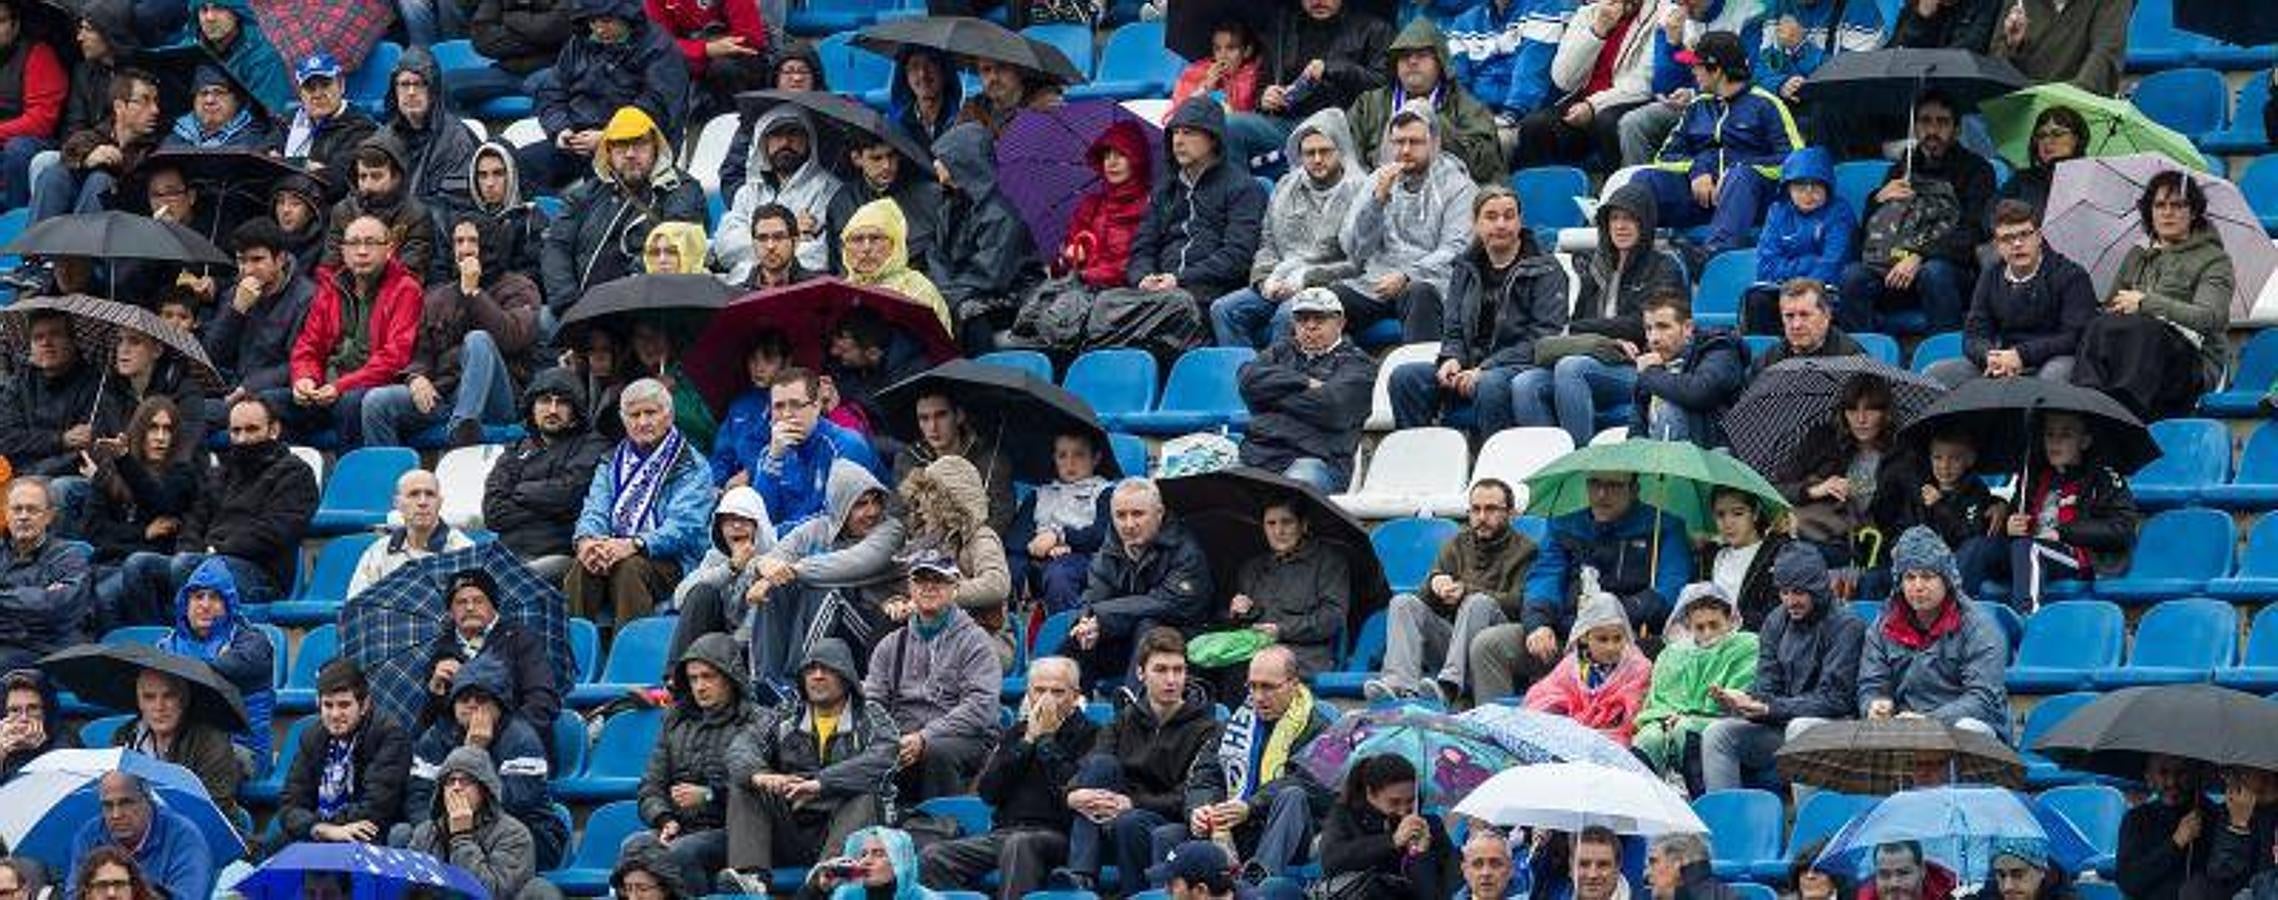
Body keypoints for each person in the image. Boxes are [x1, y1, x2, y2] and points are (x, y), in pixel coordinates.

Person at [1473, 472, 1691, 701]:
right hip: (1563, 636)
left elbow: (1670, 591)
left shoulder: (1663, 528)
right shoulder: (1564, 526)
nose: (1601, 493)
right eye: (1595, 483)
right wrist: (1539, 624)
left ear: (1634, 489)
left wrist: (1608, 615)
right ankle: (1490, 729)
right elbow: (1545, 578)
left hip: (1624, 643)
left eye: (1614, 484)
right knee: (1489, 645)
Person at [102, 397, 313, 632]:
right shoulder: (221, 473)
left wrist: (217, 550)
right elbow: (194, 520)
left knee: (188, 566)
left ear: (273, 430)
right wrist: (189, 549)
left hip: (261, 574)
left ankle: (188, 643)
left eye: (251, 430)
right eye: (236, 431)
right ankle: (158, 640)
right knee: (138, 565)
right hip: (206, 561)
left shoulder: (295, 473)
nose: (242, 438)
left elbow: (276, 530)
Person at [1512, 183, 1684, 448]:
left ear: (1645, 222)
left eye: (1629, 218)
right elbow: (1580, 324)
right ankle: (1552, 466)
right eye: (1614, 218)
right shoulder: (1595, 266)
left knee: (1572, 368)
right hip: (1597, 355)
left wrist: (1589, 330)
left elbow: (1640, 325)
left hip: (1638, 364)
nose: (1620, 226)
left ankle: (1582, 465)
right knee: (1525, 384)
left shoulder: (1663, 267)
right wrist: (1606, 338)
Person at [719, 638, 897, 893]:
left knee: (866, 794)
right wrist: (761, 776)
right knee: (744, 783)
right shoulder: (786, 714)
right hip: (793, 825)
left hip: (846, 827)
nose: (817, 676)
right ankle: (751, 876)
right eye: (810, 670)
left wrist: (820, 784)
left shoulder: (870, 716)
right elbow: (740, 748)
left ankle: (831, 873)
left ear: (846, 676)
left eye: (827, 669)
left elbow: (885, 758)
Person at [1387, 185, 1568, 435]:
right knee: (1406, 378)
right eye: (1491, 217)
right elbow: (1453, 329)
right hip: (1471, 365)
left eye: (1509, 216)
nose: (1501, 224)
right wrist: (1452, 358)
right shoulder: (1465, 267)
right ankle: (1422, 459)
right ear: (1475, 223)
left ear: (1520, 221)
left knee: (1490, 384)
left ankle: (1494, 468)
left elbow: (1544, 338)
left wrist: (1486, 368)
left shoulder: (1546, 269)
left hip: (1520, 366)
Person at [919, 656, 1096, 898]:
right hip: (1005, 832)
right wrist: (1027, 742)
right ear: (1028, 693)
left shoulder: (1091, 734)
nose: (1046, 699)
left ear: (1075, 696)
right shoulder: (1017, 733)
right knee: (933, 856)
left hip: (1058, 835)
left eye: (1057, 692)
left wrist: (1045, 741)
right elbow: (989, 792)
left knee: (1020, 845)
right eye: (1039, 690)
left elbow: (1069, 789)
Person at [1061, 628, 1221, 892]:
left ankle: (1132, 894)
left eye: (1178, 670)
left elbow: (1192, 793)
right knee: (1102, 765)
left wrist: (1133, 803)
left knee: (1131, 822)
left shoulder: (1207, 728)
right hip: (1115, 812)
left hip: (1169, 819)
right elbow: (1093, 764)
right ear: (1140, 673)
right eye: (1161, 670)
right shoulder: (1125, 719)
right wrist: (1072, 795)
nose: (1171, 680)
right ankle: (1081, 876)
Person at [1697, 540, 1862, 792]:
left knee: (1800, 729)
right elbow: (1767, 683)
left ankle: (1812, 829)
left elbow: (1835, 700)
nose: (1790, 601)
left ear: (1817, 588)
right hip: (1781, 724)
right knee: (1717, 734)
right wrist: (1745, 701)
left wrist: (1769, 707)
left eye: (1798, 592)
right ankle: (1726, 825)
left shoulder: (1846, 626)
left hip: (1834, 728)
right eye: (1784, 592)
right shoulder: (1776, 621)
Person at [2071, 170, 2234, 422]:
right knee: (2099, 324)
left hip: (2191, 363)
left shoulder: (2214, 259)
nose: (2167, 212)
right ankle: (2086, 406)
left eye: (2177, 205)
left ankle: (2125, 414)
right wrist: (2118, 308)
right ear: (2150, 212)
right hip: (2136, 353)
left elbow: (2211, 317)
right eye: (2159, 205)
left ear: (2193, 212)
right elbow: (2112, 305)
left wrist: (2146, 303)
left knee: (2145, 328)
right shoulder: (2138, 255)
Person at [365, 214, 541, 446]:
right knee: (375, 402)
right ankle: (391, 479)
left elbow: (512, 337)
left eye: (472, 241)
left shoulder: (519, 288)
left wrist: (474, 293)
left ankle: (463, 426)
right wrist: (416, 378)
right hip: (446, 394)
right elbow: (421, 352)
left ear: (488, 245)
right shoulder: (438, 296)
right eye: (459, 242)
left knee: (478, 340)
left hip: (497, 396)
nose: (465, 249)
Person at [1167, 645, 1333, 880]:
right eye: (1252, 686)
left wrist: (1251, 806)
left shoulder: (1320, 729)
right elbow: (1205, 775)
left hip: (1292, 833)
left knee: (1292, 795)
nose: (1258, 697)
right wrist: (1200, 809)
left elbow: (1312, 785)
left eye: (1268, 687)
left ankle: (1257, 883)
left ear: (1293, 685)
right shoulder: (1236, 725)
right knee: (1166, 835)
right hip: (1237, 829)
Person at [1631, 31, 1800, 258]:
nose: (1693, 72)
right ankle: (1627, 254)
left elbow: (1795, 160)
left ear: (1717, 69)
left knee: (1741, 176)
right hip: (1702, 196)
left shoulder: (1767, 104)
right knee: (1644, 179)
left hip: (1751, 202)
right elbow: (1664, 157)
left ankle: (1711, 257)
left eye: (1697, 66)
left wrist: (1732, 170)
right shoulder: (1697, 106)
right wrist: (1699, 170)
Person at [1838, 92, 1996, 335]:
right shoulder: (1901, 168)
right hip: (1891, 266)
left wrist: (1920, 256)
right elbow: (1874, 228)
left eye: (1942, 122)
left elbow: (1974, 231)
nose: (1932, 130)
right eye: (1925, 121)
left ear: (1956, 129)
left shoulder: (1978, 170)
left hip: (1951, 270)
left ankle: (1944, 358)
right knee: (1852, 277)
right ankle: (1860, 358)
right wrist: (1877, 198)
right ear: (1915, 127)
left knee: (1934, 273)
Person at [1210, 108, 1365, 351]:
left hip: (1328, 284)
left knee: (1288, 314)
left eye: (1324, 151)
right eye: (1309, 153)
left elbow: (1358, 262)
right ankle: (1246, 379)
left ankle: (1277, 381)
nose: (1316, 159)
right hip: (1279, 279)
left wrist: (1305, 280)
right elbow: (1268, 242)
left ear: (1340, 151)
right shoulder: (1285, 186)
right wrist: (1265, 280)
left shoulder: (1360, 191)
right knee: (1224, 309)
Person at [1954, 411, 2138, 613]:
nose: (2054, 442)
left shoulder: (2103, 477)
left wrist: (2063, 532)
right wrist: (2010, 523)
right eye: (2049, 434)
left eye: (2065, 435)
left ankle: (2027, 618)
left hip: (2077, 555)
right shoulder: (2034, 474)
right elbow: (2017, 518)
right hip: (2026, 552)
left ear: (2084, 442)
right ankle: (1955, 615)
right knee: (1978, 547)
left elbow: (2123, 528)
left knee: (2028, 548)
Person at [1372, 479, 1536, 705]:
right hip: (1452, 646)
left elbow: (1521, 604)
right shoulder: (1456, 544)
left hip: (1493, 648)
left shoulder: (1526, 551)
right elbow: (1424, 602)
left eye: (1491, 509)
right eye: (1475, 509)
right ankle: (1399, 686)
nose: (1481, 517)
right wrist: (1435, 583)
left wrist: (1465, 592)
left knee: (1478, 602)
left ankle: (1450, 687)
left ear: (1510, 514)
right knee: (1403, 603)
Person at [1122, 97, 1266, 353]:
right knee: (1102, 306)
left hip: (1207, 291)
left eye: (1188, 133)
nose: (1178, 141)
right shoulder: (1165, 189)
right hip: (1159, 292)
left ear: (1212, 138)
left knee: (1168, 309)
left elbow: (1237, 256)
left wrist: (1179, 279)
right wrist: (1142, 277)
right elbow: (1142, 246)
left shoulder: (1243, 188)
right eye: (1175, 133)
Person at [621, 633, 762, 893]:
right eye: (693, 678)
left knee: (683, 852)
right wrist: (664, 819)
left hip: (735, 834)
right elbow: (651, 785)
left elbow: (757, 789)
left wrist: (709, 795)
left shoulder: (756, 721)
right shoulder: (675, 721)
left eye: (709, 677)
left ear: (730, 678)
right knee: (633, 848)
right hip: (682, 827)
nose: (700, 686)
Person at [862, 551, 1005, 805]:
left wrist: (925, 737)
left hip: (964, 738)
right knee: (864, 747)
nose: (929, 586)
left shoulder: (976, 642)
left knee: (936, 751)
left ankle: (939, 826)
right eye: (920, 580)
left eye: (938, 580)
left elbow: (980, 708)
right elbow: (872, 700)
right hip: (902, 735)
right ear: (910, 588)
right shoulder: (891, 644)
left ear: (955, 588)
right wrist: (887, 737)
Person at [569, 378, 714, 628]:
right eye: (634, 415)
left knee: (629, 569)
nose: (643, 422)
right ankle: (575, 657)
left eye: (651, 413)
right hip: (616, 549)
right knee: (583, 568)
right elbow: (595, 508)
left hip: (672, 559)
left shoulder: (691, 464)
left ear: (668, 416)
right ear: (625, 421)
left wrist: (636, 544)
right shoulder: (611, 461)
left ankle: (632, 658)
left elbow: (685, 527)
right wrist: (587, 541)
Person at [537, 105, 705, 316]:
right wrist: (569, 305)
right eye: (621, 146)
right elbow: (556, 246)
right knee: (542, 320)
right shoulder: (587, 194)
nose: (630, 154)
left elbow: (674, 253)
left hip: (645, 310)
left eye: (639, 144)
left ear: (656, 146)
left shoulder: (681, 190)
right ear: (607, 152)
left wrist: (615, 307)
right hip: (579, 310)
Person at [405, 656, 568, 870]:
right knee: (403, 834)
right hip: (451, 831)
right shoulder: (435, 737)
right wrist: (443, 830)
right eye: (463, 698)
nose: (472, 704)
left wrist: (474, 752)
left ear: (499, 704)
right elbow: (417, 797)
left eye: (481, 698)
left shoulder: (522, 738)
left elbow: (517, 803)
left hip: (523, 834)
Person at [750, 459, 905, 682]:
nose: (872, 511)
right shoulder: (817, 529)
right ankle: (767, 683)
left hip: (873, 629)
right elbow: (773, 560)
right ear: (840, 506)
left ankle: (798, 683)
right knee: (775, 588)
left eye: (875, 502)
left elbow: (856, 563)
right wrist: (763, 565)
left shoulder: (891, 529)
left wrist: (790, 570)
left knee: (827, 592)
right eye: (860, 504)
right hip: (823, 632)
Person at [1335, 101, 1475, 344]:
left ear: (1434, 142)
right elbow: (1356, 249)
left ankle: (1417, 376)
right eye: (1399, 142)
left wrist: (1408, 275)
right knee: (1328, 301)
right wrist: (1377, 202)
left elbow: (1456, 249)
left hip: (1431, 284)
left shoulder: (1459, 187)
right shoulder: (1379, 179)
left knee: (1420, 292)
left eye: (1415, 142)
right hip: (1376, 283)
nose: (1406, 150)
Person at [1858, 526, 2011, 739]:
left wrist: (1931, 721)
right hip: (1904, 727)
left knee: (1968, 729)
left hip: (1968, 727)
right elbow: (1872, 684)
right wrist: (1875, 704)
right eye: (1909, 578)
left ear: (1947, 581)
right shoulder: (1883, 625)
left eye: (1927, 577)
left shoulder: (1980, 626)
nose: (1918, 586)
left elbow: (1983, 698)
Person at [286, 212, 424, 444]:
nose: (361, 251)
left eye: (371, 243)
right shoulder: (330, 288)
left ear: (389, 249)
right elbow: (308, 345)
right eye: (353, 243)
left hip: (371, 388)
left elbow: (395, 357)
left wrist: (340, 386)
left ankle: (351, 476)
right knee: (268, 404)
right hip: (324, 389)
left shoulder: (405, 289)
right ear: (343, 250)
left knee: (350, 403)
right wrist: (304, 379)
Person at [521, 0, 687, 191]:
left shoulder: (659, 48)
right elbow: (552, 91)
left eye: (606, 21)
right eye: (593, 21)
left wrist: (609, 137)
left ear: (626, 16)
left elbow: (659, 106)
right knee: (517, 168)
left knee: (597, 194)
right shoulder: (578, 44)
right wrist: (560, 130)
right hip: (578, 142)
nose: (599, 29)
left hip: (632, 148)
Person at [1931, 200, 2094, 388]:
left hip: (2054, 358)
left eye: (2024, 235)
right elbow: (1974, 334)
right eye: (2007, 238)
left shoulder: (2071, 275)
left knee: (2053, 378)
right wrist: (1989, 356)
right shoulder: (1991, 274)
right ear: (1997, 244)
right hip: (2005, 358)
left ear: (2039, 236)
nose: (2017, 244)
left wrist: (2021, 355)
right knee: (1938, 374)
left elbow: (2074, 337)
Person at [1221, 0, 1392, 175]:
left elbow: (1382, 82)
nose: (1318, 1)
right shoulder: (1282, 29)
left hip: (1344, 127)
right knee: (1231, 125)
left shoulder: (1374, 29)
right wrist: (1264, 97)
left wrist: (1331, 68)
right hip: (1288, 125)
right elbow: (1263, 82)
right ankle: (1239, 195)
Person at [1070, 479, 1213, 682]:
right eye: (1121, 515)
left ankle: (1134, 706)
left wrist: (1101, 614)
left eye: (1138, 514)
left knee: (1149, 627)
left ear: (1159, 513)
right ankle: (1066, 702)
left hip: (1183, 644)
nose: (1129, 524)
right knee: (1079, 632)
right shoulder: (1109, 549)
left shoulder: (1186, 551)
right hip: (1126, 637)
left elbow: (1166, 604)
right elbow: (1094, 596)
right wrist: (1087, 620)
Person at [1235, 289, 1375, 493]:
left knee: (1293, 486)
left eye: (1320, 318)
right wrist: (1303, 381)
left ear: (1340, 323)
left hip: (1318, 461)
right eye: (1302, 319)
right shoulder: (1281, 351)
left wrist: (1269, 396)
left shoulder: (1358, 363)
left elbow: (1332, 408)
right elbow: (1246, 380)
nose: (1310, 326)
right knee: (1218, 486)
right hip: (1260, 454)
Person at [1349, 19, 1506, 186]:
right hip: (1380, 192)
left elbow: (1484, 166)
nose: (1412, 62)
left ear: (1440, 63)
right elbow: (1348, 158)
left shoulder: (1468, 106)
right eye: (1404, 56)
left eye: (1422, 55)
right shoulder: (1367, 105)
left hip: (1447, 194)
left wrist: (1432, 123)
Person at [486, 369, 609, 579]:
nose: (552, 409)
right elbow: (493, 513)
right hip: (507, 555)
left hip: (558, 556)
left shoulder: (593, 445)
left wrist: (519, 491)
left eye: (562, 402)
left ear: (575, 410)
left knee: (509, 583)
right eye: (545, 401)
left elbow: (570, 497)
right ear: (532, 407)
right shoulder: (515, 449)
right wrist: (550, 508)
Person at [1211, 497, 1351, 681]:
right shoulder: (1251, 568)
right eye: (1271, 523)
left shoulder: (1329, 563)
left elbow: (1332, 618)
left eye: (1287, 522)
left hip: (1304, 657)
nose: (1279, 531)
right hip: (1252, 653)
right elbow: (1233, 624)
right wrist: (1235, 613)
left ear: (1303, 525)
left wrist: (1281, 630)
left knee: (1263, 673)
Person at [154, 557, 276, 768]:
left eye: (215, 598)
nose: (205, 605)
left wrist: (178, 669)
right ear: (186, 604)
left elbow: (235, 665)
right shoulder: (166, 645)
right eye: (198, 597)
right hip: (180, 747)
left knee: (200, 761)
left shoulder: (252, 641)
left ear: (229, 604)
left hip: (241, 749)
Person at [929, 123, 1041, 352]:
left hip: (1014, 293)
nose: (936, 163)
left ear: (963, 161)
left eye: (943, 158)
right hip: (962, 287)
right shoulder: (954, 202)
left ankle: (982, 376)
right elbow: (936, 253)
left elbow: (992, 274)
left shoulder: (1005, 210)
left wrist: (948, 292)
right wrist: (941, 289)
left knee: (968, 312)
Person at [1511, 0, 1658, 171]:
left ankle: (1613, 193)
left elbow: (1643, 83)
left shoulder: (1659, 16)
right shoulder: (1587, 14)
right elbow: (1564, 79)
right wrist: (1597, 31)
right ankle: (1541, 193)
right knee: (1535, 126)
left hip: (1628, 100)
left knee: (1608, 122)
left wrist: (1593, 106)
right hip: (1583, 101)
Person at [278, 659, 411, 845]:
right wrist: (324, 830)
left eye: (344, 705)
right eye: (328, 705)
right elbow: (290, 804)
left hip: (370, 833)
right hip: (322, 831)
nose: (334, 715)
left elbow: (375, 807)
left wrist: (324, 829)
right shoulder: (311, 736)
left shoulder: (389, 734)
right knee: (273, 846)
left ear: (364, 705)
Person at [898, 455, 1016, 663]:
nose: (922, 510)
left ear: (948, 505)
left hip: (987, 639)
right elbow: (909, 586)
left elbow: (997, 584)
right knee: (894, 638)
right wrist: (897, 603)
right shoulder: (928, 541)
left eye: (928, 502)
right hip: (938, 632)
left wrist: (943, 594)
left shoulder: (981, 537)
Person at [405, 746, 563, 900]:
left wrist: (461, 837)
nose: (456, 788)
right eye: (450, 781)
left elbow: (492, 893)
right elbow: (410, 889)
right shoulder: (425, 833)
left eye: (465, 781)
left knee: (541, 889)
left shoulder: (514, 834)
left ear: (484, 789)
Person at [1779, 375, 1902, 573]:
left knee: (1798, 558)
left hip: (1866, 547)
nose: (1861, 419)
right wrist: (1813, 490)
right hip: (1819, 536)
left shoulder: (1901, 454)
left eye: (1870, 410)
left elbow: (1901, 516)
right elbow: (1775, 488)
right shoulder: (1823, 441)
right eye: (1852, 410)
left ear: (1885, 413)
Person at [746, 367, 884, 531]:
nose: (786, 414)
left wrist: (772, 539)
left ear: (817, 405)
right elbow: (758, 518)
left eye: (796, 405)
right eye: (778, 406)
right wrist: (774, 459)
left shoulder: (846, 445)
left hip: (844, 546)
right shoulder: (770, 453)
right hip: (786, 547)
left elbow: (834, 522)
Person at [719, 107, 844, 282]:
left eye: (794, 133)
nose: (786, 141)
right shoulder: (747, 192)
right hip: (744, 287)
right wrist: (795, 238)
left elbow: (818, 258)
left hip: (801, 289)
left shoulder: (830, 191)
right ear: (764, 141)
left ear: (808, 140)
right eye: (777, 135)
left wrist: (757, 244)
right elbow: (726, 248)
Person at [1522, 578, 1654, 745]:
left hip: (1616, 742)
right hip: (1573, 736)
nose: (1611, 647)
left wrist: (1611, 711)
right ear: (1585, 636)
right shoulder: (1571, 666)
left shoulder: (1638, 667)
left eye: (1617, 638)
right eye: (1602, 639)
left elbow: (1637, 712)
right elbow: (1545, 697)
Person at [205, 219, 317, 407]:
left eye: (257, 260)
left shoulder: (306, 298)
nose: (248, 270)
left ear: (280, 259)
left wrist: (250, 387)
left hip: (278, 394)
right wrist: (236, 310)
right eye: (241, 260)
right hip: (234, 387)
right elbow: (213, 354)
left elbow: (298, 362)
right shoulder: (236, 292)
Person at [1743, 149, 1856, 336]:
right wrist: (1810, 262)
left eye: (1816, 185)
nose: (1809, 193)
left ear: (1828, 187)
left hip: (1824, 294)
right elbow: (1766, 267)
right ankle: (1764, 359)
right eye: (1800, 186)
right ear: (1788, 187)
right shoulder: (1777, 211)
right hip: (1782, 291)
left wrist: (1795, 276)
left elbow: (1833, 264)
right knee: (1757, 299)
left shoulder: (1840, 212)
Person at [1319, 753, 1457, 900]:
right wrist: (1392, 841)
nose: (1403, 810)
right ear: (1370, 794)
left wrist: (1421, 855)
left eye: (1410, 801)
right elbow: (1331, 861)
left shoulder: (1430, 825)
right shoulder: (1345, 816)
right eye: (1394, 802)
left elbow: (1444, 886)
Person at [115, 666, 243, 823]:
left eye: (169, 696)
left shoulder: (212, 740)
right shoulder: (125, 736)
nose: (159, 707)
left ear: (184, 699)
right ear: (139, 701)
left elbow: (213, 807)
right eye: (149, 697)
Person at [1008, 433, 1114, 614]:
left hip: (1084, 558)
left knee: (1060, 574)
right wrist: (1043, 547)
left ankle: (1067, 632)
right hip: (1039, 557)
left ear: (1095, 459)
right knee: (1010, 567)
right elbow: (1016, 538)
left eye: (1079, 455)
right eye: (1062, 455)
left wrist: (1061, 537)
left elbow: (1100, 535)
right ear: (1054, 459)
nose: (1070, 463)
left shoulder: (1104, 492)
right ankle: (1009, 630)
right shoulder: (1040, 494)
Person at [34, 67, 158, 221]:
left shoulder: (157, 145)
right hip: (87, 213)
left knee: (100, 181)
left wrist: (117, 164)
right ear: (119, 107)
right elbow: (71, 149)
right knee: (54, 176)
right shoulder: (101, 133)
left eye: (155, 101)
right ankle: (35, 243)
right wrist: (87, 159)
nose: (155, 110)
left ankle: (80, 245)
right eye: (145, 101)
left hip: (126, 222)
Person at [0, 310, 108, 484]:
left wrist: (33, 478)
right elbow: (6, 439)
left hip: (67, 478)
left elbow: (82, 453)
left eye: (55, 334)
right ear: (30, 346)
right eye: (38, 337)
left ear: (73, 341)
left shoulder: (95, 385)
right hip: (18, 474)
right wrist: (61, 439)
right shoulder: (18, 384)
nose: (46, 343)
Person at [1627, 290, 1746, 447]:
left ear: (1688, 328)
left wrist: (1651, 373)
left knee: (1670, 408)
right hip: (1659, 453)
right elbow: (1637, 426)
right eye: (1649, 329)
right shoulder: (1652, 362)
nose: (1654, 338)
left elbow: (1700, 392)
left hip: (1715, 454)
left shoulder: (1719, 349)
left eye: (1663, 327)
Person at [65, 774, 213, 900]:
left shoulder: (184, 837)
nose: (116, 815)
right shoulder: (89, 834)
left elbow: (187, 897)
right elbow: (74, 894)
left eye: (126, 803)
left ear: (147, 799)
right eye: (108, 805)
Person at [1050, 118, 1150, 295]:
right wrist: (1067, 257)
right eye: (1107, 155)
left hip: (1127, 299)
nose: (1112, 162)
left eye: (1121, 154)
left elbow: (1137, 264)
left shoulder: (1151, 206)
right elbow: (1061, 268)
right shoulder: (1091, 205)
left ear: (1137, 159)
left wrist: (1088, 276)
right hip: (1083, 298)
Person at [0, 479, 90, 671]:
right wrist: (37, 596)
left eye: (32, 510)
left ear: (49, 516)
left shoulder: (69, 556)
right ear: (6, 514)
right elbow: (43, 604)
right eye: (17, 509)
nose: (23, 516)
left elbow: (58, 606)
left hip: (51, 652)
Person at [379, 47, 477, 211]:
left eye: (419, 84)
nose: (411, 92)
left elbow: (455, 204)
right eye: (404, 84)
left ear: (433, 90)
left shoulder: (455, 139)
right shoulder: (383, 138)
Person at [840, 199, 953, 336]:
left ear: (895, 244)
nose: (866, 248)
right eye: (857, 239)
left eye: (876, 238)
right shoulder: (840, 292)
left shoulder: (917, 290)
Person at [2116, 754, 2215, 900]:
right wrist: (2175, 843)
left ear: (2194, 775)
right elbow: (2129, 882)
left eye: (2181, 773)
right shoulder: (2136, 819)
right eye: (2163, 772)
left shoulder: (2213, 816)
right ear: (2149, 779)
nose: (2172, 782)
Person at [647, 0, 765, 121]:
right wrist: (705, 49)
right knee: (658, 68)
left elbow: (751, 38)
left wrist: (696, 52)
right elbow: (659, 43)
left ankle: (736, 126)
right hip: (686, 59)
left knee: (725, 68)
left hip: (731, 63)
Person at [623, 314, 720, 452]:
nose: (649, 344)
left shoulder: (690, 375)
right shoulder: (629, 381)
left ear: (669, 339)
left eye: (656, 334)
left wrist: (675, 397)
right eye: (641, 337)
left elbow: (709, 432)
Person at [1989, 0, 2128, 95]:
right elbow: (1995, 69)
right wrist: (2012, 46)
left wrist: (2061, 100)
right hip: (2021, 102)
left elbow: (2104, 57)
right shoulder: (2020, 3)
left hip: (2073, 114)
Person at [460, 141, 549, 284]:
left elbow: (538, 272)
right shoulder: (464, 220)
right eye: (483, 175)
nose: (490, 183)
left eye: (498, 174)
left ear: (512, 174)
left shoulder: (531, 219)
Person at [276, 53, 377, 176]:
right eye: (310, 87)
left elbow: (336, 179)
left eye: (325, 85)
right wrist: (305, 165)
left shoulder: (361, 128)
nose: (318, 94)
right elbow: (263, 159)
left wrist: (283, 163)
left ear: (341, 86)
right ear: (300, 94)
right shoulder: (286, 120)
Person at [1992, 106, 2086, 226]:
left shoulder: (2089, 180)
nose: (2047, 141)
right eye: (2041, 135)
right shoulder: (2023, 179)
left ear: (2076, 139)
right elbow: (1989, 216)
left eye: (2057, 134)